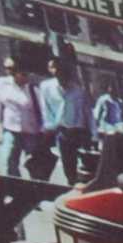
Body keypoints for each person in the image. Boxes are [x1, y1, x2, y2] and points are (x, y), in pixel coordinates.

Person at [0, 53, 48, 182]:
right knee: (8, 159)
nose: (25, 76)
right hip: (11, 129)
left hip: (31, 132)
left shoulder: (33, 90)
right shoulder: (2, 84)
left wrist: (43, 131)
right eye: (8, 69)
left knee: (34, 164)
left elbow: (43, 111)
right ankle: (15, 188)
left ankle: (36, 189)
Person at [40, 47, 93, 184]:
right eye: (53, 69)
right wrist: (49, 126)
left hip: (79, 131)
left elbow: (88, 113)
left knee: (82, 164)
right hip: (62, 131)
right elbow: (45, 108)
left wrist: (94, 134)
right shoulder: (46, 87)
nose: (57, 73)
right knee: (67, 164)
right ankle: (71, 184)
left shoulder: (78, 91)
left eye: (60, 70)